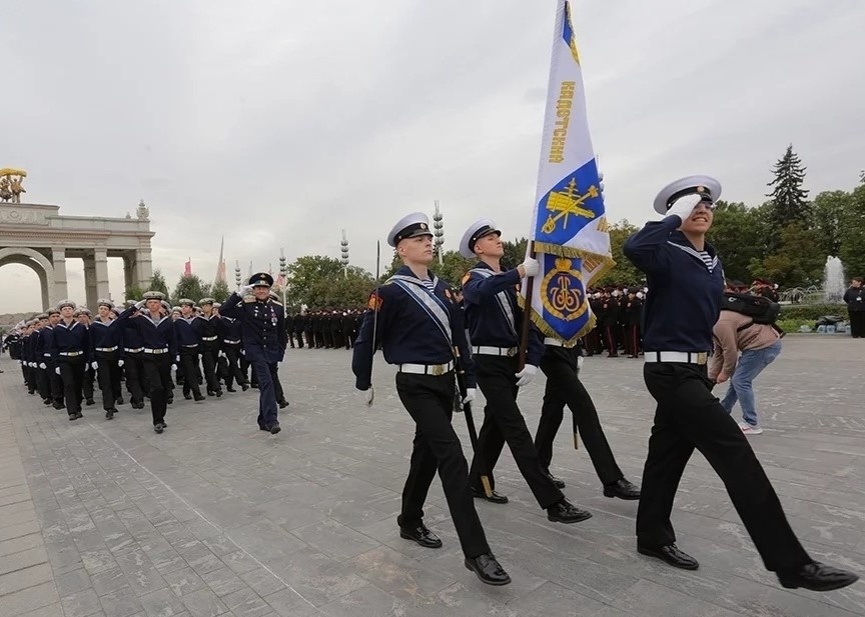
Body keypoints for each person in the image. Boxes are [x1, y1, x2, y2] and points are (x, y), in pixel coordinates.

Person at [623, 175, 857, 591]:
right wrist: (675, 217)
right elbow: (634, 247)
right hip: (668, 370)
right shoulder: (664, 253)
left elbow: (711, 316)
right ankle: (790, 563)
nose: (702, 208)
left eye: (707, 204)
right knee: (734, 452)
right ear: (674, 213)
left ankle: (652, 536)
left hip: (694, 370)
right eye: (691, 203)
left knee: (666, 456)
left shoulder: (712, 262)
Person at [352, 212, 510, 586]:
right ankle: (477, 552)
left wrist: (469, 379)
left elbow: (461, 337)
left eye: (429, 238)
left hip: (446, 382)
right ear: (402, 249)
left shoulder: (443, 289)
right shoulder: (389, 292)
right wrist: (364, 380)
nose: (428, 242)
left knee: (427, 451)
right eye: (419, 239)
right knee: (452, 456)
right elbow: (366, 339)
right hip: (414, 383)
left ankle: (409, 520)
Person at [459, 218, 591, 524]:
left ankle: (478, 480)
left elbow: (528, 321)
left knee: (495, 423)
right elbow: (479, 294)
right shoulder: (474, 278)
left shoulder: (515, 282)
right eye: (491, 238)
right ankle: (553, 502)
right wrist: (518, 272)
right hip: (488, 363)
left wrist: (532, 359)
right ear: (478, 248)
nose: (498, 240)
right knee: (515, 428)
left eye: (497, 235)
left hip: (512, 362)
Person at [534, 338, 641, 499]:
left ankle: (538, 469)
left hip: (570, 350)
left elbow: (578, 319)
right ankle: (612, 480)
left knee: (552, 410)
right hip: (549, 352)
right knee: (584, 409)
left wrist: (579, 348)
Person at [709, 287, 783, 435]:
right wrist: (711, 376)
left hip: (763, 346)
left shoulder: (719, 322)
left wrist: (724, 374)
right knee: (739, 380)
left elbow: (730, 352)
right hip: (761, 345)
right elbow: (719, 351)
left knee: (740, 380)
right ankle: (723, 413)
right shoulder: (713, 319)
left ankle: (751, 423)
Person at [221, 273, 287, 434]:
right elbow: (224, 310)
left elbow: (281, 333)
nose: (261, 291)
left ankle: (262, 420)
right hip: (255, 350)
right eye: (258, 288)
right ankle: (272, 420)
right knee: (267, 384)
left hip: (271, 351)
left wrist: (280, 352)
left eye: (264, 288)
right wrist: (238, 294)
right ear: (253, 290)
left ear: (269, 289)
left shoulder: (277, 308)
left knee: (268, 385)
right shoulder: (246, 306)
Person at [116, 292, 177, 433]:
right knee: (156, 388)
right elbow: (120, 322)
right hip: (149, 357)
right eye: (150, 303)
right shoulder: (141, 320)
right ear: (146, 305)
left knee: (164, 388)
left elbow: (173, 341)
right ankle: (157, 421)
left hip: (164, 357)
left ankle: (161, 417)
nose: (153, 305)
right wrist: (134, 308)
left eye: (156, 302)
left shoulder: (167, 321)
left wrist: (174, 359)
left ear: (160, 304)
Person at [51, 300, 91, 420]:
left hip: (79, 358)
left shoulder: (80, 327)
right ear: (61, 312)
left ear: (73, 311)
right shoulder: (57, 329)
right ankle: (72, 411)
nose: (67, 311)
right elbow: (54, 347)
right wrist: (56, 364)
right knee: (68, 384)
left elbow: (87, 345)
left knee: (78, 385)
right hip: (64, 359)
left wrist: (88, 361)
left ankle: (78, 408)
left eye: (69, 309)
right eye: (65, 309)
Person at [90, 299, 125, 419]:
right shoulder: (94, 326)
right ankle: (108, 407)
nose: (103, 311)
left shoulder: (114, 324)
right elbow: (91, 343)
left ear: (110, 311)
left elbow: (120, 340)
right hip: (101, 355)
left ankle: (113, 401)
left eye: (105, 309)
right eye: (101, 309)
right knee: (105, 382)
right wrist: (92, 359)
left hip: (114, 354)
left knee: (115, 380)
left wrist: (121, 356)